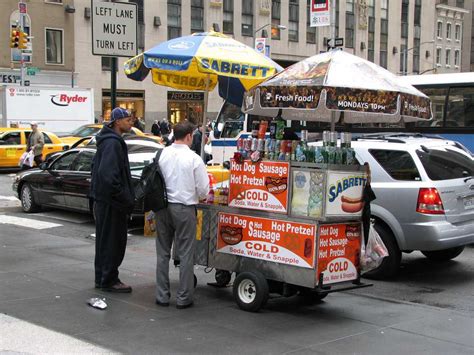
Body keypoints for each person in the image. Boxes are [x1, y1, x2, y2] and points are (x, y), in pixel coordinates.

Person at [155, 121, 209, 309]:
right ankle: (184, 297)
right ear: (188, 136)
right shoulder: (194, 159)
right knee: (186, 253)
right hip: (184, 208)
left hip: (162, 206)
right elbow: (203, 190)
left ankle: (162, 295)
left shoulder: (162, 153)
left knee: (162, 252)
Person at [90, 107, 135, 293]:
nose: (131, 121)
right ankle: (109, 280)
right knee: (112, 242)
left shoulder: (108, 141)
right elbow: (108, 175)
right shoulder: (112, 143)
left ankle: (103, 278)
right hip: (111, 203)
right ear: (117, 122)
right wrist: (123, 197)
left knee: (104, 241)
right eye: (127, 119)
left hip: (105, 201)